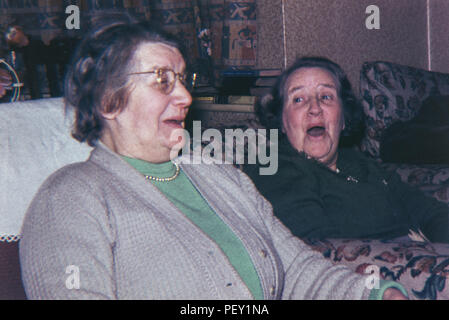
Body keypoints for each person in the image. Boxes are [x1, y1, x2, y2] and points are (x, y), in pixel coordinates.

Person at [19, 17, 407, 300]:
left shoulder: (222, 177)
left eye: (183, 80)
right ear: (108, 100)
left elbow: (296, 268)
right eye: (161, 81)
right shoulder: (70, 198)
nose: (186, 98)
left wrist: (374, 294)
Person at [243, 57, 449, 243]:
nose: (314, 108)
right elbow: (316, 249)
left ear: (343, 118)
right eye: (298, 99)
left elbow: (431, 212)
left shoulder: (359, 162)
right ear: (282, 121)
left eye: (326, 97)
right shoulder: (273, 165)